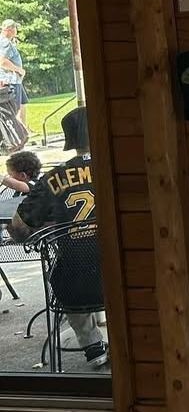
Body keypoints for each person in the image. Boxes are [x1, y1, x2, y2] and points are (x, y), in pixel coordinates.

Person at [11, 106, 107, 369]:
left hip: (76, 285)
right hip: (124, 275)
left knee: (68, 270)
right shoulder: (119, 167)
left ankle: (92, 345)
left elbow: (19, 231)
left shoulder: (51, 179)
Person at [0, 18, 29, 125]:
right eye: (15, 28)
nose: (16, 30)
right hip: (10, 81)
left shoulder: (6, 41)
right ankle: (16, 136)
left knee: (22, 103)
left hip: (16, 81)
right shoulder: (5, 43)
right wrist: (19, 70)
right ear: (9, 29)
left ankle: (23, 129)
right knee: (14, 109)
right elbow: (2, 62)